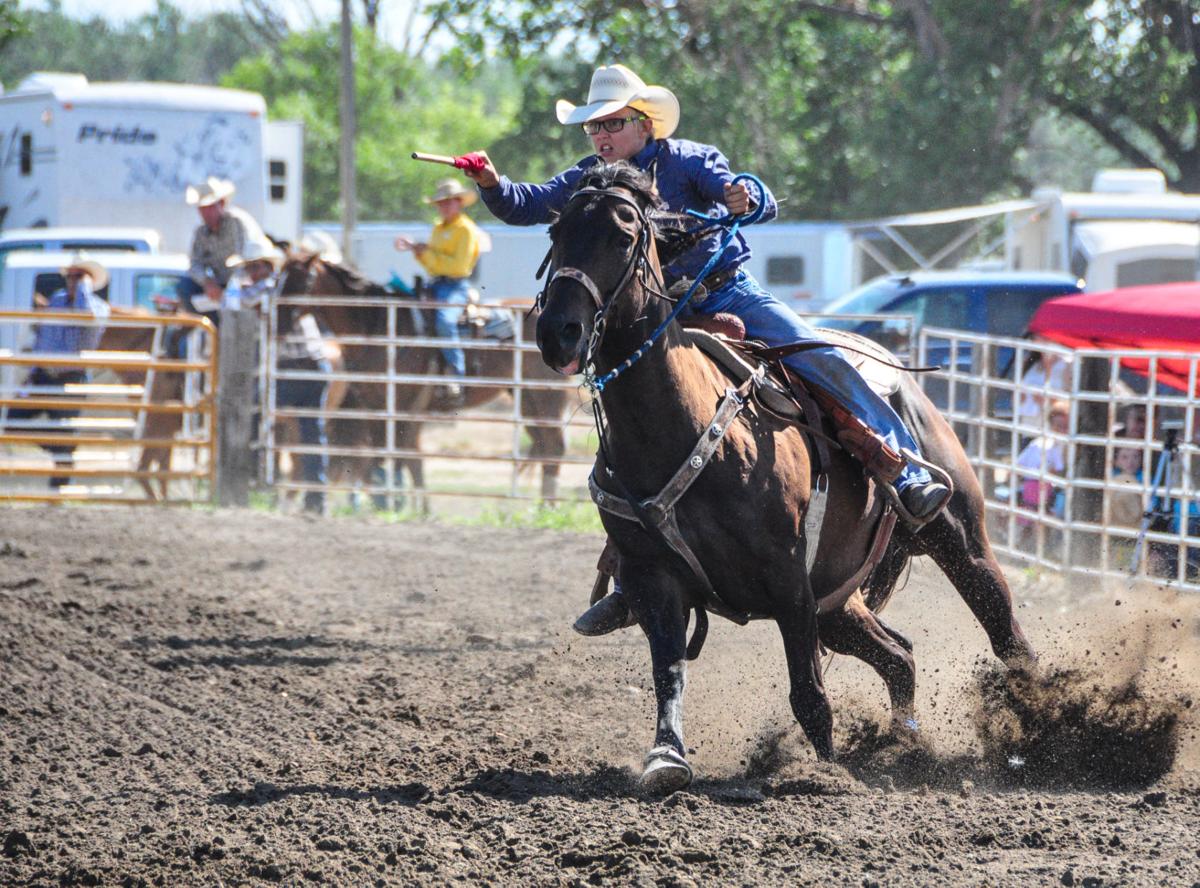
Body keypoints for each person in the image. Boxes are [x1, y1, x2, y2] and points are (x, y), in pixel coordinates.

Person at [458, 62, 950, 633]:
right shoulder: (594, 177)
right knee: (629, 422)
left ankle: (903, 470)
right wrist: (491, 183)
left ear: (645, 124)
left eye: (611, 124)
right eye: (592, 128)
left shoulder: (689, 160)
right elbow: (530, 203)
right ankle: (632, 574)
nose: (600, 137)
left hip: (728, 292)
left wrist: (747, 194)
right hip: (661, 311)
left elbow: (752, 196)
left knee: (817, 355)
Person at [228, 244, 330, 515]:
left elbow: (241, 298)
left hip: (298, 368)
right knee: (310, 432)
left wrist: (237, 283)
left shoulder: (275, 288)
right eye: (249, 268)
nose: (252, 272)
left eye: (255, 266)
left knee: (258, 415)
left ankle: (259, 482)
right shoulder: (282, 286)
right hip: (304, 367)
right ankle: (313, 497)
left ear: (268, 267)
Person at [3, 253, 111, 489]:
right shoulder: (57, 300)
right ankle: (62, 450)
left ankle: (59, 485)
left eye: (79, 276)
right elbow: (45, 336)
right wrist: (33, 369)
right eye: (71, 276)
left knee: (63, 429)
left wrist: (84, 288)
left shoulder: (98, 307)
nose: (72, 280)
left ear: (90, 280)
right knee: (13, 422)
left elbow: (87, 317)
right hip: (44, 375)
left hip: (70, 378)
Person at [394, 179, 483, 407]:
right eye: (440, 203)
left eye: (447, 202)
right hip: (435, 284)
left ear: (458, 202)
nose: (443, 207)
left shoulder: (466, 230)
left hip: (456, 286)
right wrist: (419, 251)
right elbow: (434, 265)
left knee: (444, 320)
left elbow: (458, 267)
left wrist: (424, 252)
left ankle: (456, 373)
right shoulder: (438, 228)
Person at [178, 176, 267, 325]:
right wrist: (207, 282)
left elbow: (246, 260)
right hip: (219, 284)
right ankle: (213, 327)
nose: (205, 212)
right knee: (184, 286)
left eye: (210, 207)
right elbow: (194, 264)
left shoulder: (237, 223)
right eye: (202, 208)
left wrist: (229, 286)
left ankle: (224, 328)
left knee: (238, 297)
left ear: (222, 203)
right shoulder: (201, 233)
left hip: (242, 281)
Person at [1015, 398, 1069, 550]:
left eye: (1065, 426)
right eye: (1059, 426)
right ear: (1051, 425)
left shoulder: (1062, 446)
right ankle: (1034, 548)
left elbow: (1058, 469)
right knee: (1036, 517)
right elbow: (1020, 465)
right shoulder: (1043, 444)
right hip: (1040, 488)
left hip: (1048, 490)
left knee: (1037, 518)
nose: (1062, 430)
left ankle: (1036, 547)